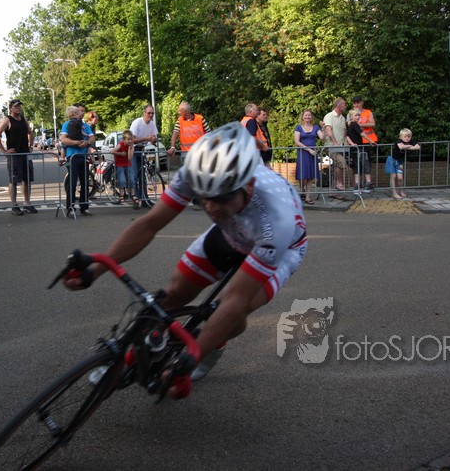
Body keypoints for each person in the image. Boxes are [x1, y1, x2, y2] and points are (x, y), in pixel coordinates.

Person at [65, 124, 307, 398]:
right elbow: (149, 224)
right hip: (232, 230)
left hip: (282, 246)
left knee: (229, 312)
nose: (211, 208)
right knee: (173, 295)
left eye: (220, 198)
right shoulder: (198, 173)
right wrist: (97, 268)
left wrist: (193, 357)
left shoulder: (277, 218)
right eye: (204, 199)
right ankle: (130, 354)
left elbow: (236, 300)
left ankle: (215, 344)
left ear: (248, 186)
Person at [0, 99, 36, 216]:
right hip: (14, 155)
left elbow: (30, 133)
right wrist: (4, 150)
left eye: (19, 106)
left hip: (25, 153)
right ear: (11, 108)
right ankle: (14, 205)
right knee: (14, 180)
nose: (18, 108)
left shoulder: (23, 119)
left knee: (27, 179)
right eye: (16, 106)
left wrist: (31, 145)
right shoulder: (7, 120)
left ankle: (27, 203)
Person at [60, 105, 95, 217]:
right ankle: (70, 208)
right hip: (72, 156)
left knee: (85, 182)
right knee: (72, 182)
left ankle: (84, 207)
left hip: (83, 156)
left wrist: (87, 143)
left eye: (83, 111)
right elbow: (63, 139)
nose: (82, 113)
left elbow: (92, 138)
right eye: (80, 111)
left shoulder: (85, 125)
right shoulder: (67, 124)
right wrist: (76, 143)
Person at [130, 105, 160, 208]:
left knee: (142, 176)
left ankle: (144, 199)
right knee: (134, 176)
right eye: (149, 113)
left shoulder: (152, 124)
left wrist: (153, 139)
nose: (151, 115)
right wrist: (146, 138)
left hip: (142, 150)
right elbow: (132, 140)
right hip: (133, 150)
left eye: (152, 113)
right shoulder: (137, 123)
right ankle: (136, 200)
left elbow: (154, 138)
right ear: (144, 113)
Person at [294, 109, 324, 204]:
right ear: (302, 117)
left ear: (311, 117)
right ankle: (302, 190)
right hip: (303, 153)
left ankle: (307, 197)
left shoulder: (315, 127)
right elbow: (297, 141)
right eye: (306, 115)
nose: (307, 117)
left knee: (310, 176)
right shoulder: (298, 127)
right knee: (302, 175)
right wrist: (308, 149)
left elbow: (322, 137)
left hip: (312, 154)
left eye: (309, 115)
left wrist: (323, 128)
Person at [386, 128, 421, 199]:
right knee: (393, 176)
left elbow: (418, 147)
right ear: (401, 136)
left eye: (409, 136)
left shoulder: (411, 141)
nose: (407, 138)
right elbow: (401, 147)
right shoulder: (399, 140)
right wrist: (410, 146)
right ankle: (394, 193)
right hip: (391, 160)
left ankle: (401, 191)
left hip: (400, 161)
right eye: (405, 136)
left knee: (400, 178)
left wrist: (406, 146)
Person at [322, 98, 348, 193]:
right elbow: (329, 131)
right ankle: (339, 183)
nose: (345, 106)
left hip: (341, 146)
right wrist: (335, 143)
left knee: (335, 166)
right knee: (341, 163)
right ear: (339, 106)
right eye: (344, 104)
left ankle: (333, 191)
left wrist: (345, 144)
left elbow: (344, 133)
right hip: (331, 146)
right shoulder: (329, 116)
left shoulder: (343, 118)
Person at [351, 96, 377, 190]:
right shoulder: (351, 113)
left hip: (367, 141)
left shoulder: (368, 112)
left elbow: (372, 123)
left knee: (366, 162)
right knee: (357, 164)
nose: (356, 105)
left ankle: (367, 183)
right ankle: (358, 184)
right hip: (357, 142)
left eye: (358, 103)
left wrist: (358, 125)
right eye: (354, 103)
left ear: (362, 102)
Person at [345, 110, 372, 193]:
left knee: (357, 166)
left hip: (355, 148)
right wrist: (371, 141)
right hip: (358, 148)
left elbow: (347, 136)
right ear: (351, 117)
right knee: (365, 164)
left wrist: (352, 143)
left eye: (358, 115)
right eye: (356, 115)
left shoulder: (350, 125)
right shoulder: (354, 124)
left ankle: (357, 185)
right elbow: (362, 134)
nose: (358, 117)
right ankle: (368, 183)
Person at [112, 130, 135, 204]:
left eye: (131, 139)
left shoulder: (131, 147)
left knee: (131, 179)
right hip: (120, 165)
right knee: (122, 179)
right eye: (128, 139)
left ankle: (133, 194)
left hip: (128, 164)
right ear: (124, 140)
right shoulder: (120, 144)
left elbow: (129, 158)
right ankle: (121, 194)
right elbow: (112, 151)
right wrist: (120, 153)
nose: (130, 141)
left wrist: (129, 149)